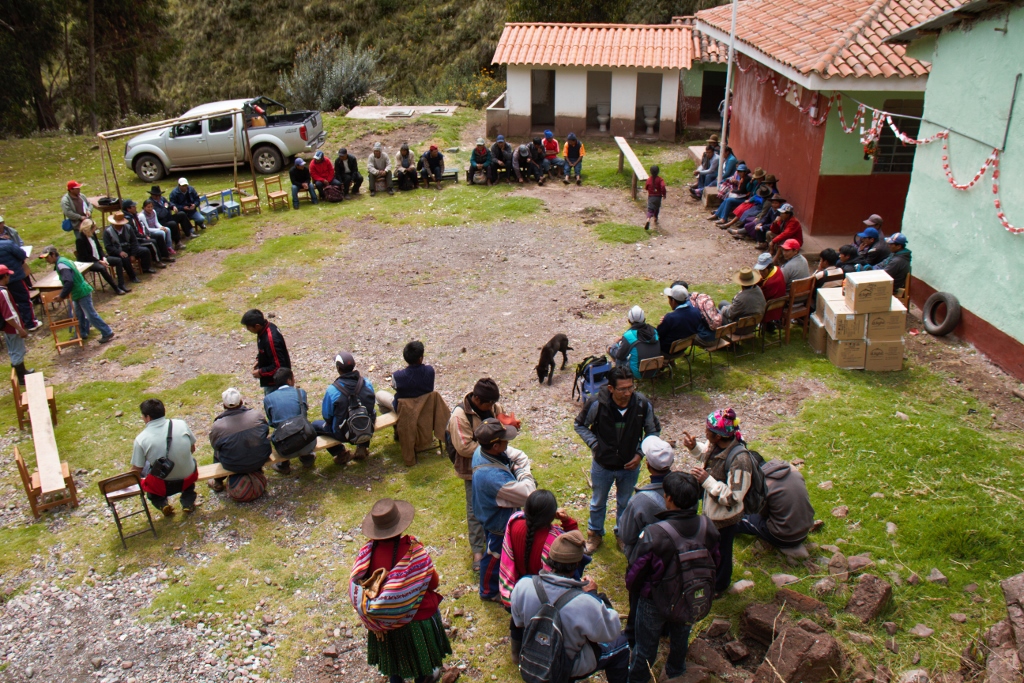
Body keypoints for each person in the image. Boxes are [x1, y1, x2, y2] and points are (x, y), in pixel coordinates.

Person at [625, 472, 720, 683]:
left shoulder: (654, 533)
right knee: (681, 636)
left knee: (645, 647)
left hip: (654, 600)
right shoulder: (707, 526)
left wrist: (635, 590)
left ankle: (638, 678)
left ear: (668, 498)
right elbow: (716, 560)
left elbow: (637, 572)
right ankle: (676, 671)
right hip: (691, 593)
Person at [351, 499, 452, 683]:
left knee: (395, 669)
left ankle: (395, 678)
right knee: (423, 665)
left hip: (384, 625)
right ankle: (426, 676)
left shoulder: (366, 554)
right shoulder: (415, 552)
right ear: (400, 526)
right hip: (417, 620)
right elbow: (433, 583)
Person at [510, 531, 630, 683]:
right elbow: (611, 631)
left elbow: (518, 623)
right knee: (621, 643)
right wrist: (594, 594)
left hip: (534, 657)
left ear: (550, 558)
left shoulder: (523, 586)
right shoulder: (585, 602)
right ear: (577, 565)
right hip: (566, 666)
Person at [574, 366, 661, 553]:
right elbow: (580, 425)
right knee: (598, 501)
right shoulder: (597, 403)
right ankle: (594, 534)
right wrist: (596, 446)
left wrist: (639, 454)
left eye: (631, 387)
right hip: (602, 465)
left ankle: (622, 533)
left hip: (629, 466)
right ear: (611, 388)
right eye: (623, 389)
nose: (628, 392)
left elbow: (653, 431)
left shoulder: (642, 405)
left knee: (625, 502)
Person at [684, 408, 755, 594]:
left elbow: (733, 497)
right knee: (711, 548)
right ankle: (708, 575)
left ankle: (720, 585)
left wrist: (707, 481)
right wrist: (694, 447)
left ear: (718, 436)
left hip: (725, 518)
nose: (705, 432)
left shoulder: (740, 461)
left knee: (723, 552)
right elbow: (708, 457)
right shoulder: (716, 444)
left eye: (708, 431)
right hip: (712, 512)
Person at [471, 417, 536, 601]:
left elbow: (519, 456)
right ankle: (488, 591)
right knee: (494, 555)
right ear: (495, 446)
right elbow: (529, 492)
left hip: (495, 510)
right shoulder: (492, 477)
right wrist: (523, 473)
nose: (508, 442)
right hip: (497, 521)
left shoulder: (483, 449)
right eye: (505, 440)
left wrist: (519, 469)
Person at [448, 378, 508, 573]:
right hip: (472, 470)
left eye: (493, 403)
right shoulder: (459, 415)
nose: (492, 407)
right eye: (488, 404)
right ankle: (477, 552)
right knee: (475, 510)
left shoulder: (494, 406)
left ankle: (503, 543)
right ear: (476, 398)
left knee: (501, 503)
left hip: (497, 464)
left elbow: (503, 427)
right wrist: (492, 448)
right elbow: (464, 447)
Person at [130, 398, 198, 515]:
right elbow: (192, 449)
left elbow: (136, 470)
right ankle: (188, 502)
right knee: (191, 464)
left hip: (163, 486)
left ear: (148, 417)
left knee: (148, 476)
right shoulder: (181, 424)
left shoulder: (141, 439)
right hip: (188, 477)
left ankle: (162, 504)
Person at [736, 459, 814, 555]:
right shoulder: (795, 473)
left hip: (783, 538)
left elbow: (762, 513)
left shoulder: (764, 485)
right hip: (805, 530)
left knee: (741, 518)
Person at [40, 245, 114, 344]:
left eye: (47, 257)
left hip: (81, 292)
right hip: (77, 293)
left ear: (53, 254)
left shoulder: (61, 265)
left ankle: (107, 332)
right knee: (78, 315)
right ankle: (81, 333)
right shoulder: (63, 261)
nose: (46, 260)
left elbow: (69, 281)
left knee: (90, 314)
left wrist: (62, 296)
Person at [313, 351, 376, 464]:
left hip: (343, 433)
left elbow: (327, 416)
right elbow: (371, 405)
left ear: (338, 368)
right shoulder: (366, 382)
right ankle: (362, 446)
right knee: (368, 414)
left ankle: (341, 453)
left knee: (315, 425)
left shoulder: (333, 390)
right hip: (367, 427)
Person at [617, 436, 674, 561]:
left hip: (649, 560)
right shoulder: (686, 489)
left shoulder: (639, 501)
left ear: (648, 465)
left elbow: (626, 536)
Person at [208, 387, 271, 493]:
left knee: (218, 450)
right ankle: (256, 469)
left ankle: (218, 482)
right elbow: (265, 432)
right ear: (241, 401)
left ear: (224, 405)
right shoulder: (256, 415)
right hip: (261, 458)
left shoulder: (218, 426)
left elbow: (215, 445)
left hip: (233, 465)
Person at [263, 367, 316, 474]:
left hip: (285, 449)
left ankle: (284, 465)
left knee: (278, 429)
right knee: (302, 423)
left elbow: (272, 422)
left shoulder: (268, 399)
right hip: (308, 442)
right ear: (289, 380)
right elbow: (304, 414)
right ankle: (307, 458)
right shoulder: (301, 393)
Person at [240, 309, 290, 396]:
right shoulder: (264, 331)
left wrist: (261, 372)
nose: (247, 329)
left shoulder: (270, 339)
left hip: (275, 383)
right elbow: (266, 351)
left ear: (257, 326)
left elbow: (278, 366)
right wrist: (259, 359)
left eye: (248, 327)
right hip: (271, 381)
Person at [0, 226, 41, 331]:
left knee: (8, 304)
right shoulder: (8, 244)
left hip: (1, 282)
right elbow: (22, 255)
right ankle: (31, 323)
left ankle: (16, 324)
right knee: (24, 300)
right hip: (14, 277)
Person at [376, 341, 434, 414]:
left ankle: (397, 422)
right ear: (420, 358)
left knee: (379, 395)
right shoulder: (430, 371)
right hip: (424, 407)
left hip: (404, 410)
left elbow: (395, 386)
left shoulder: (398, 376)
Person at [75, 219, 129, 295]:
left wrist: (103, 257)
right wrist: (99, 261)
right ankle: (116, 288)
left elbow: (99, 248)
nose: (95, 229)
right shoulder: (80, 239)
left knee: (118, 260)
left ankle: (121, 284)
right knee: (102, 268)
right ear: (89, 228)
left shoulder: (92, 235)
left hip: (99, 258)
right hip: (89, 262)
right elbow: (86, 256)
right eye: (94, 227)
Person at [608, 306, 660, 380]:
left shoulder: (629, 335)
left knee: (613, 349)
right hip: (654, 369)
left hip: (638, 373)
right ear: (644, 319)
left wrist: (616, 344)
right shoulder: (654, 331)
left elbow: (619, 356)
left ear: (629, 320)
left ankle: (619, 378)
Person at [658, 284, 714, 351]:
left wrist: (663, 323)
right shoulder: (696, 312)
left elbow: (658, 335)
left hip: (667, 350)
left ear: (673, 301)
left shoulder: (670, 318)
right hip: (682, 348)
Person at [0, 265, 30, 385]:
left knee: (13, 350)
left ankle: (21, 373)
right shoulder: (3, 292)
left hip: (6, 328)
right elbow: (9, 314)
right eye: (8, 275)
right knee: (18, 350)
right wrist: (19, 329)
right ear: (5, 276)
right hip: (12, 327)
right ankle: (22, 377)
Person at [104, 211, 154, 277]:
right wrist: (119, 252)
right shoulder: (108, 231)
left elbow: (134, 241)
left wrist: (133, 254)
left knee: (145, 250)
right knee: (125, 258)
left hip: (129, 248)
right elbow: (108, 246)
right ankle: (132, 276)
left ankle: (145, 268)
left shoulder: (128, 227)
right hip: (118, 251)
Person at [718, 267, 766, 333]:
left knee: (717, 313)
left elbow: (730, 314)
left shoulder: (741, 299)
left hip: (740, 328)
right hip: (753, 324)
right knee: (722, 303)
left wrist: (723, 309)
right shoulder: (758, 289)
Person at [644, 165, 666, 230]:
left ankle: (648, 219)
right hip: (658, 197)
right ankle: (655, 218)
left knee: (650, 210)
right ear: (658, 172)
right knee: (656, 208)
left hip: (651, 197)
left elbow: (646, 187)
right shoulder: (660, 179)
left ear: (650, 172)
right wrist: (664, 194)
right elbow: (663, 186)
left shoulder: (649, 179)